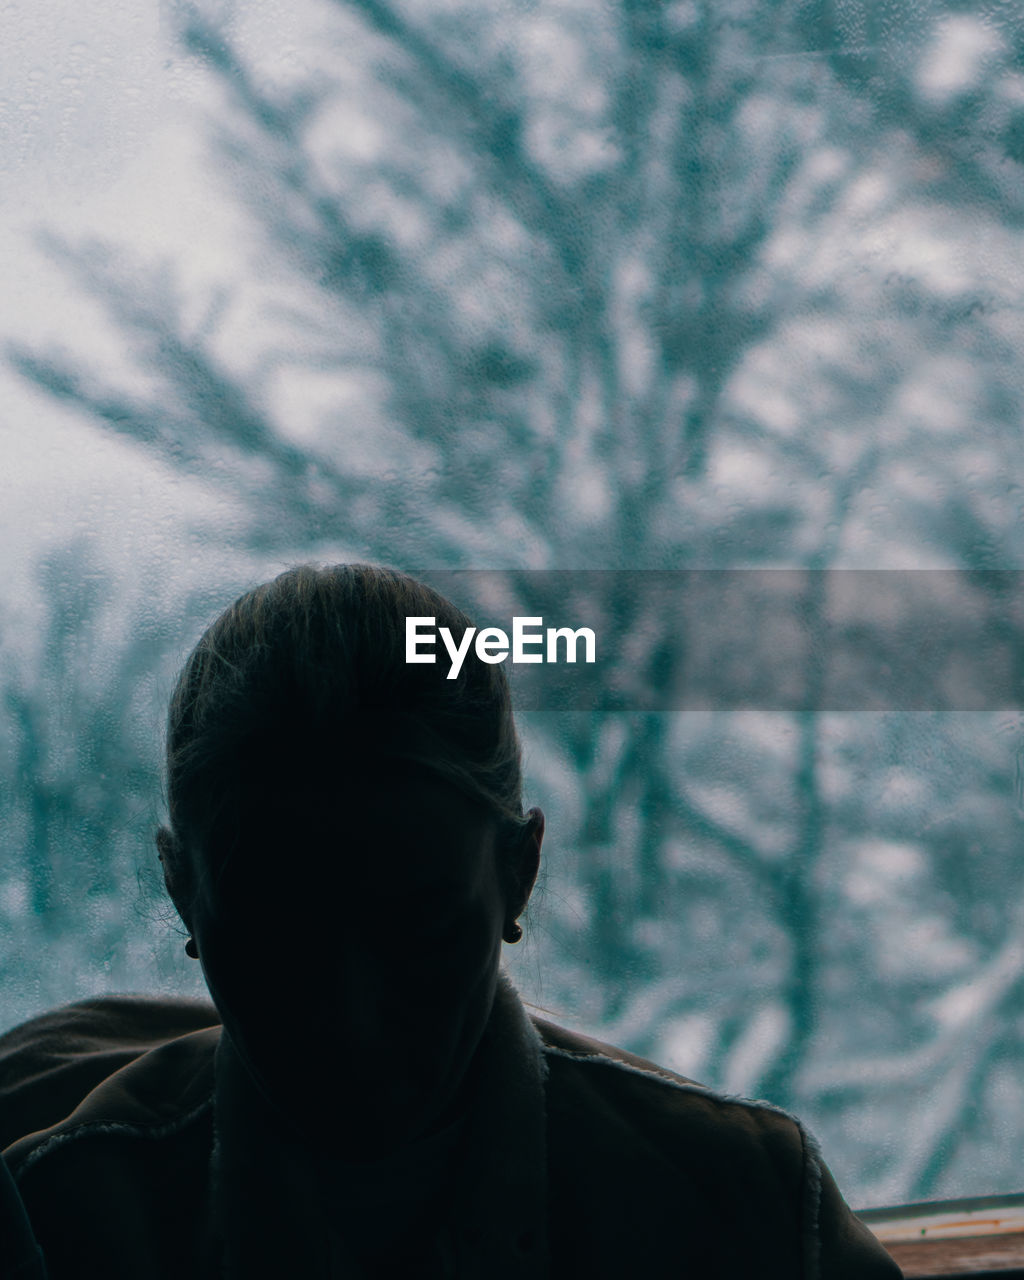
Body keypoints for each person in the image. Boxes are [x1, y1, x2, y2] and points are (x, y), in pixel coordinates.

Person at [0, 564, 901, 1278]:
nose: (348, 1015)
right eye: (279, 937)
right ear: (179, 891)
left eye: (415, 928)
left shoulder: (77, 1212)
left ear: (521, 873)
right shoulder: (734, 1205)